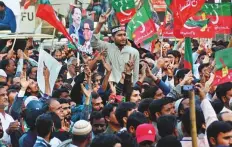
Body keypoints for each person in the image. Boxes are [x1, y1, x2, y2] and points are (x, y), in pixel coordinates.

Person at [91, 9, 140, 84]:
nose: (123, 37)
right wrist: (100, 24)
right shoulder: (108, 47)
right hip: (110, 88)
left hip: (126, 87)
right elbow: (94, 42)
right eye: (120, 35)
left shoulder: (134, 52)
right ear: (113, 38)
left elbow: (135, 75)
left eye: (124, 35)